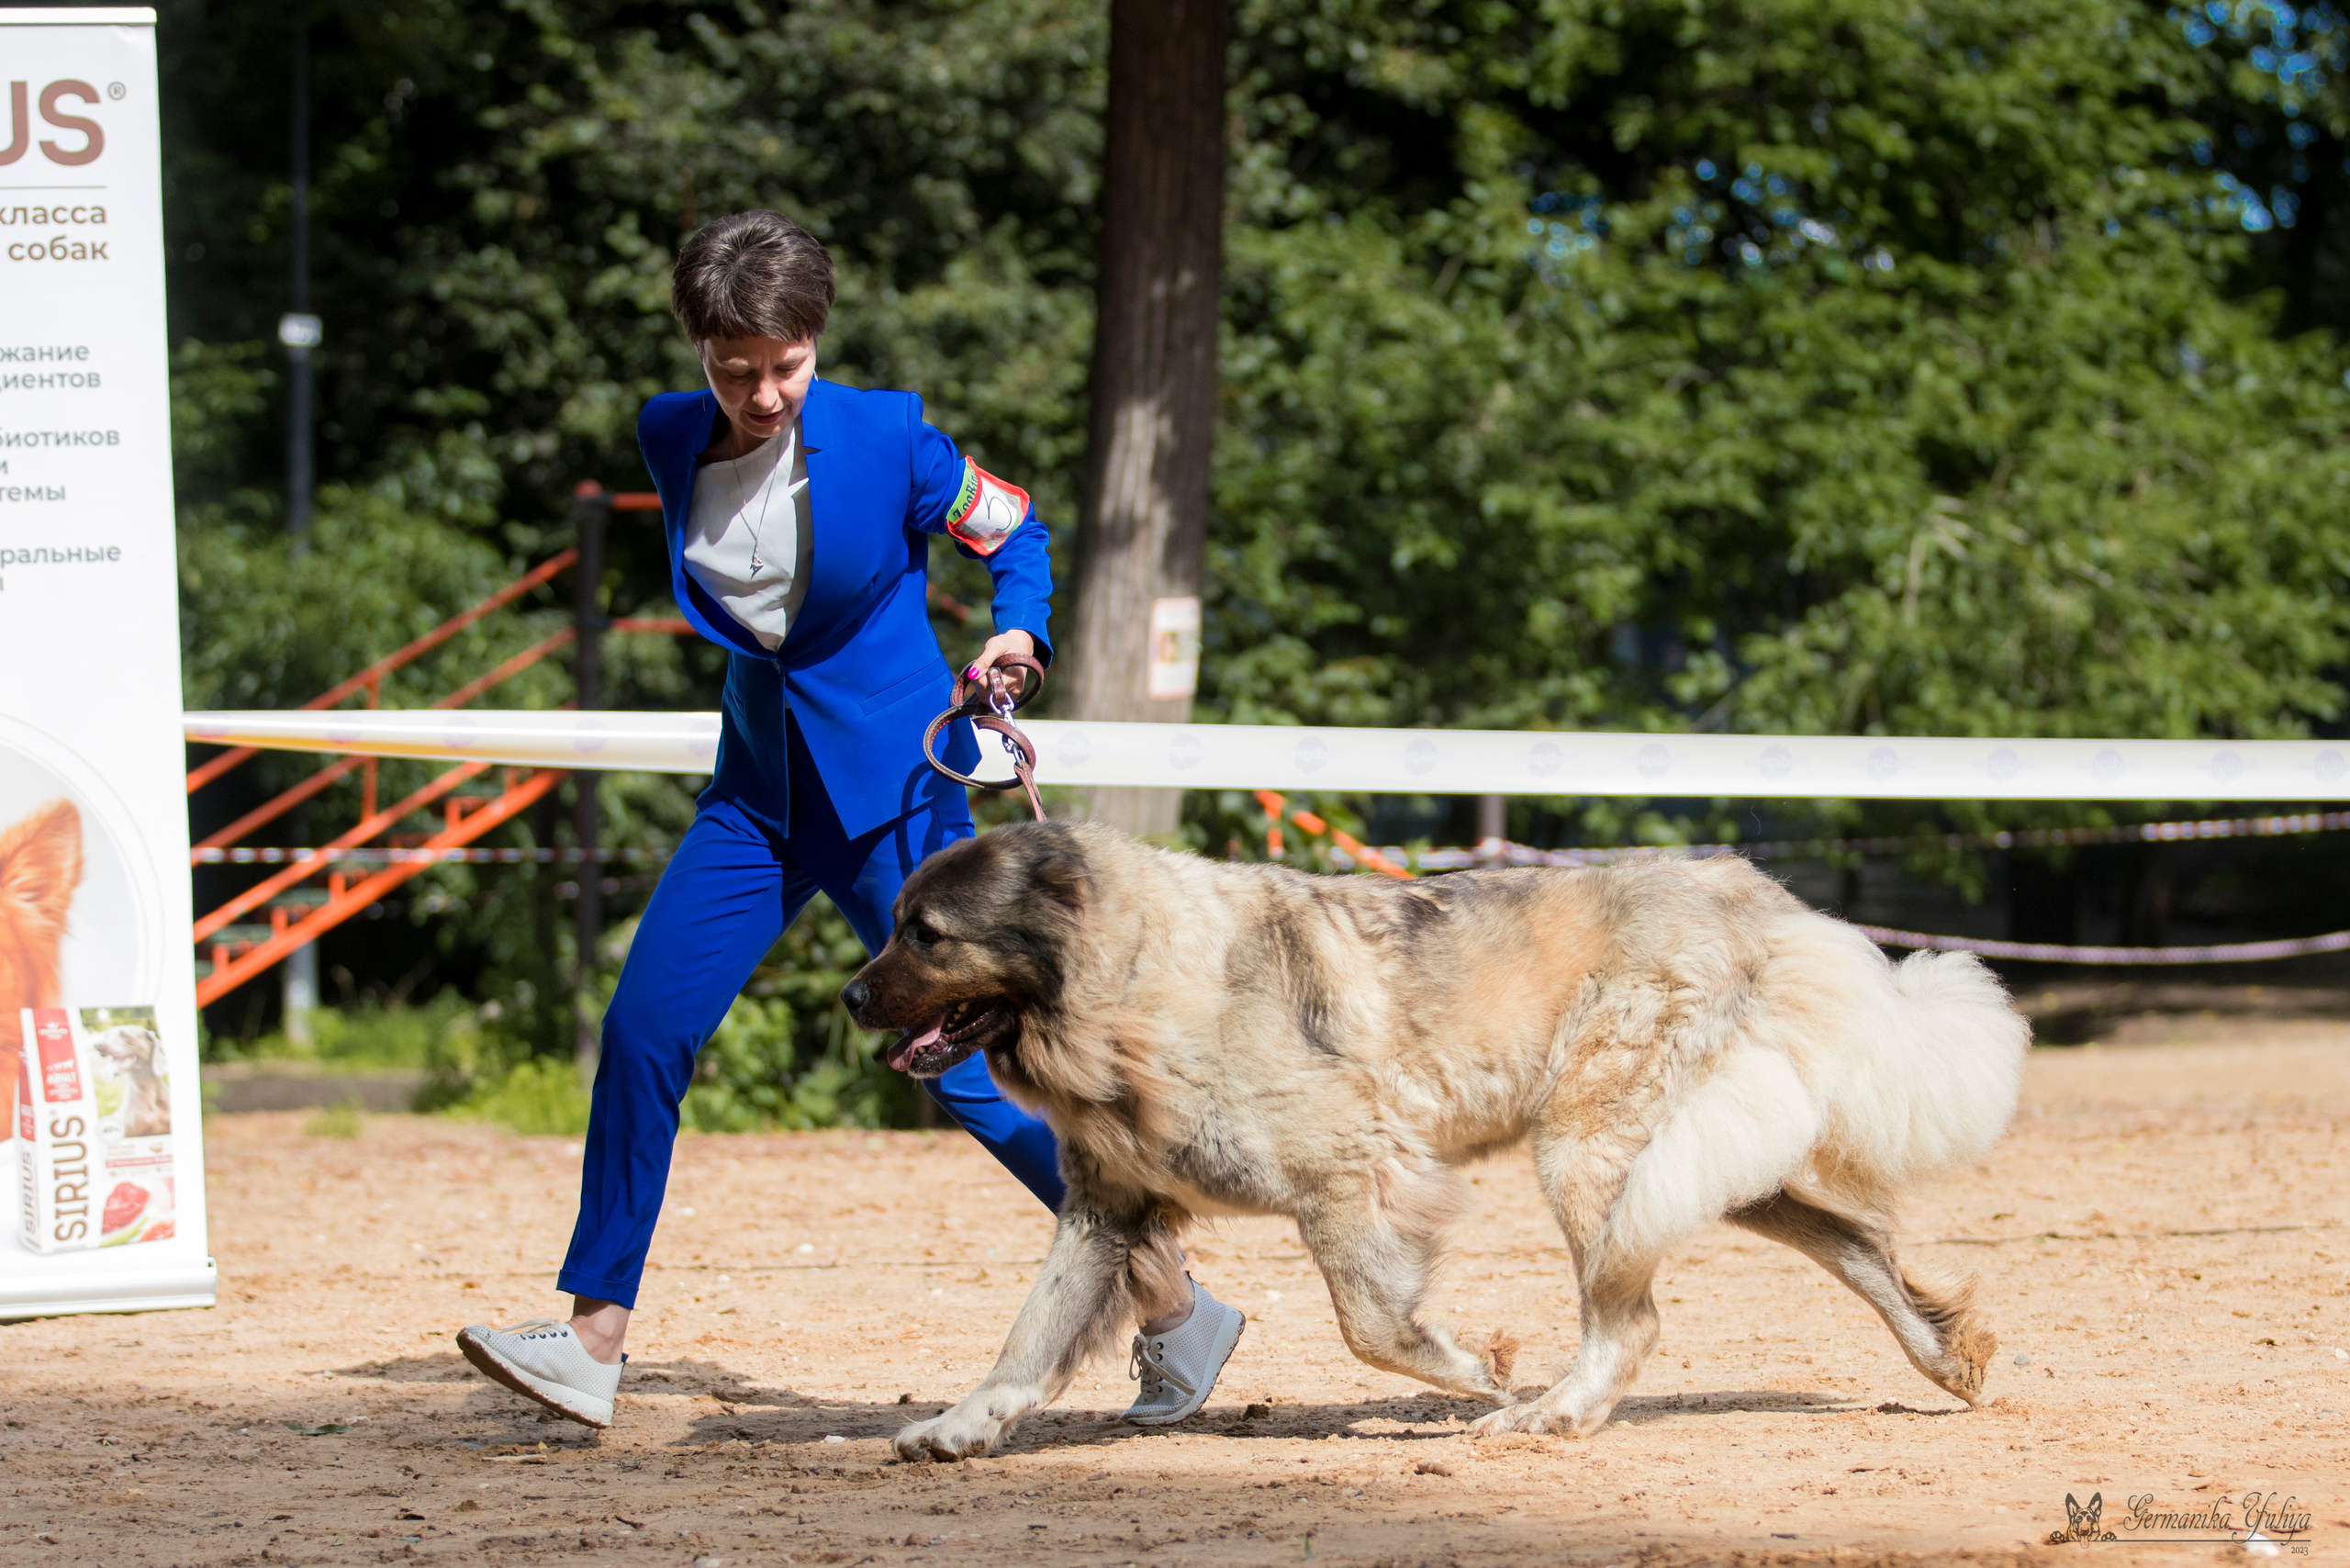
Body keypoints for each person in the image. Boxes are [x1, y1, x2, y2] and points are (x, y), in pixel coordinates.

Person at [455, 210, 1243, 1431]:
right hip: (757, 799)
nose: (766, 393)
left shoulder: (887, 435)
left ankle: (1177, 1307)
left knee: (983, 1083)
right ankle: (593, 1338)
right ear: (700, 353)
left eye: (788, 364)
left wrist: (1016, 634)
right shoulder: (671, 439)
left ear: (816, 342)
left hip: (893, 792)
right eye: (737, 369)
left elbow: (1014, 526)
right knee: (644, 1027)